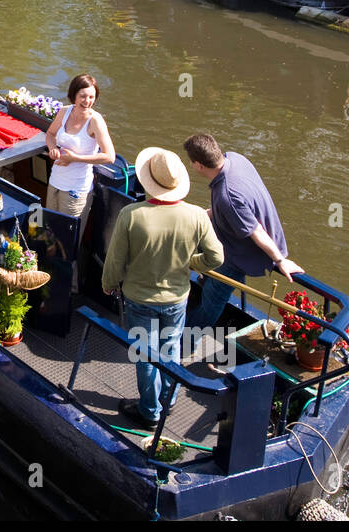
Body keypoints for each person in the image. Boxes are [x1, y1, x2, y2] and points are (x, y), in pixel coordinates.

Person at [101, 147, 223, 427]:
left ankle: (149, 412)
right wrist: (191, 262)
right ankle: (167, 400)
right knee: (170, 350)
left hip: (138, 298)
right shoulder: (196, 216)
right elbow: (217, 257)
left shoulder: (131, 215)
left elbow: (115, 260)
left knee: (145, 355)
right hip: (177, 298)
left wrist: (108, 285)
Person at [182, 133, 300, 332]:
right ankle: (204, 279)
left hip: (235, 256)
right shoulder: (236, 159)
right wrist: (206, 214)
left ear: (198, 165)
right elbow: (240, 207)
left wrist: (280, 260)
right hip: (226, 237)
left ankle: (185, 339)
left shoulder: (226, 195)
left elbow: (256, 231)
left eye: (191, 163)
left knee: (212, 301)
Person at [44, 74, 115, 218]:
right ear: (73, 95)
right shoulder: (64, 112)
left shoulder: (95, 121)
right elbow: (50, 134)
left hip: (76, 189)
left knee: (66, 237)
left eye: (91, 97)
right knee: (49, 229)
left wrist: (75, 158)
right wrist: (53, 148)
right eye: (83, 96)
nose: (87, 101)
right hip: (55, 181)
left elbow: (109, 156)